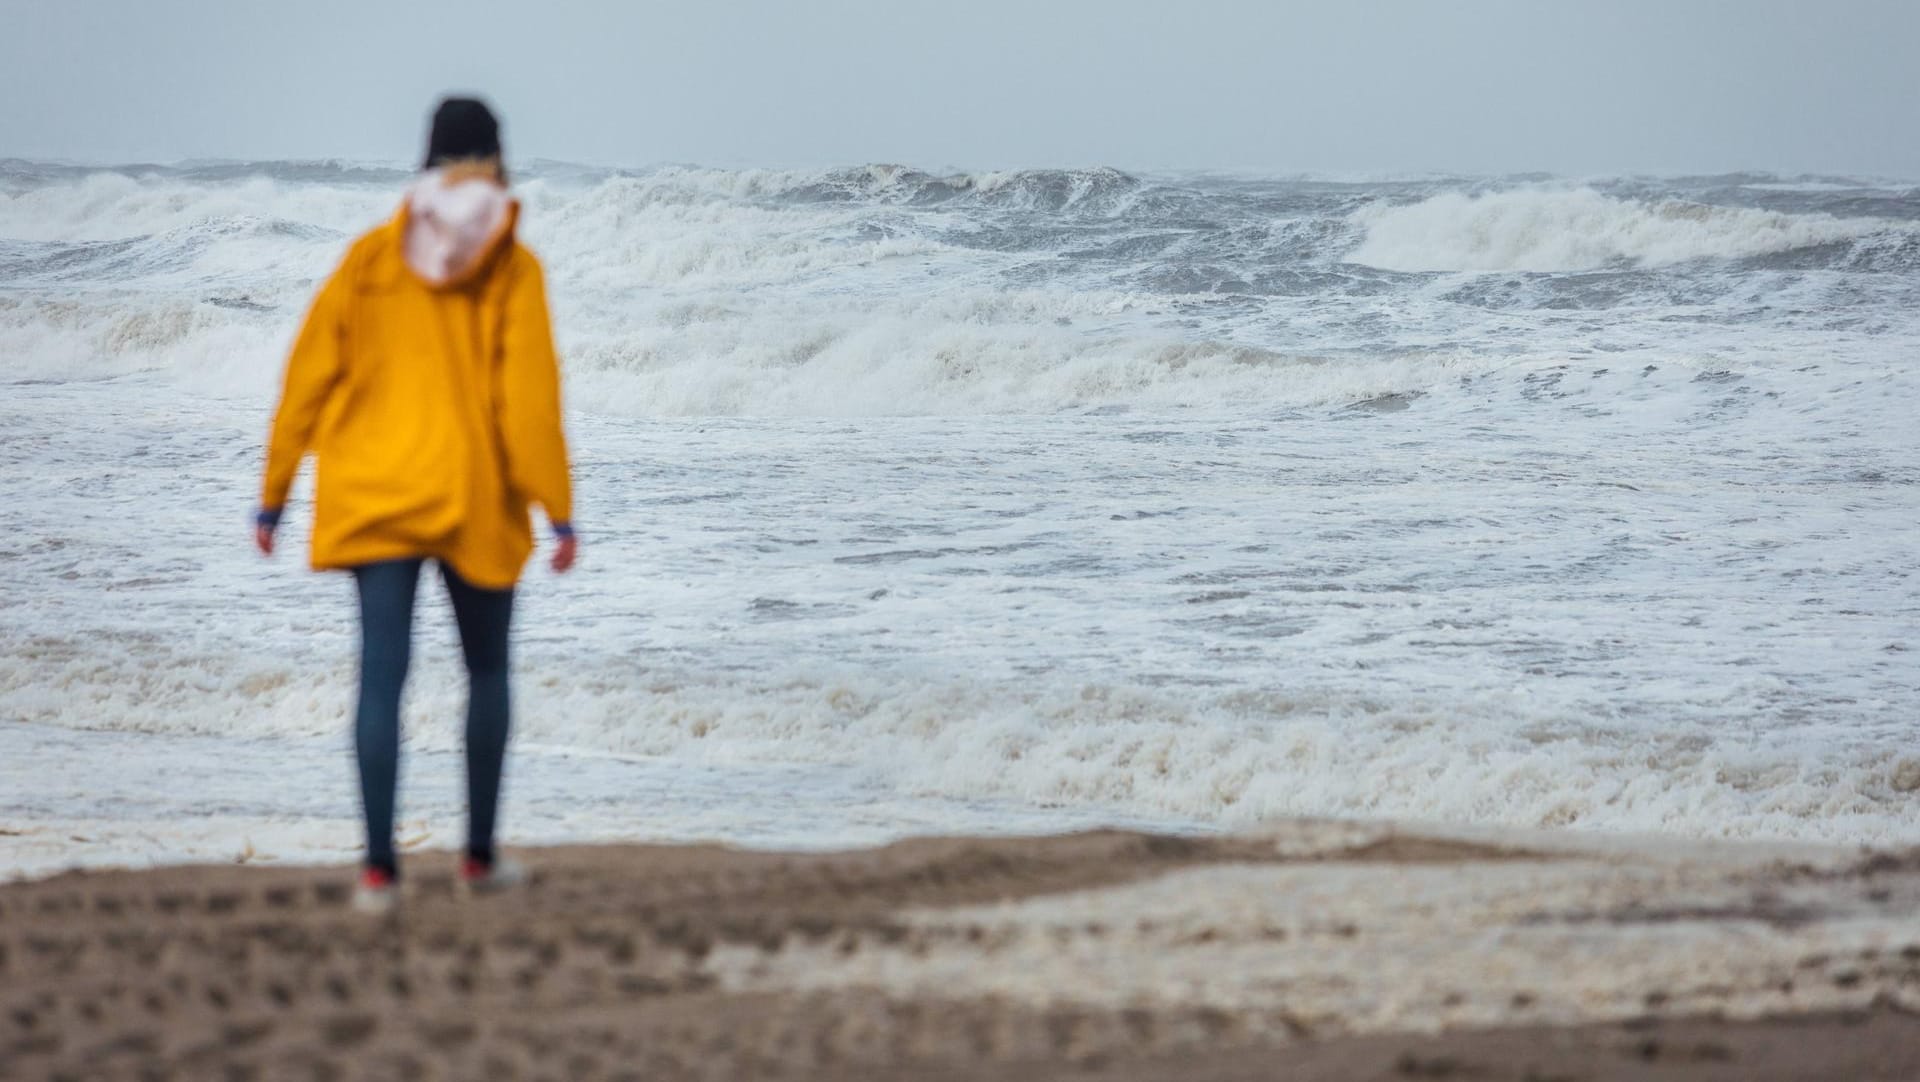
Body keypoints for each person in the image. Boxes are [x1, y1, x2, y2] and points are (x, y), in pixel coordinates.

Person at [255, 96, 577, 913]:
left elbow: (308, 375)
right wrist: (557, 506)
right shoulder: (512, 264)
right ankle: (476, 861)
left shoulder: (372, 257)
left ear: (427, 162)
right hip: (470, 494)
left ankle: (377, 874)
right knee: (488, 672)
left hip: (373, 492)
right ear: (497, 162)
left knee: (381, 681)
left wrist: (275, 494)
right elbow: (527, 400)